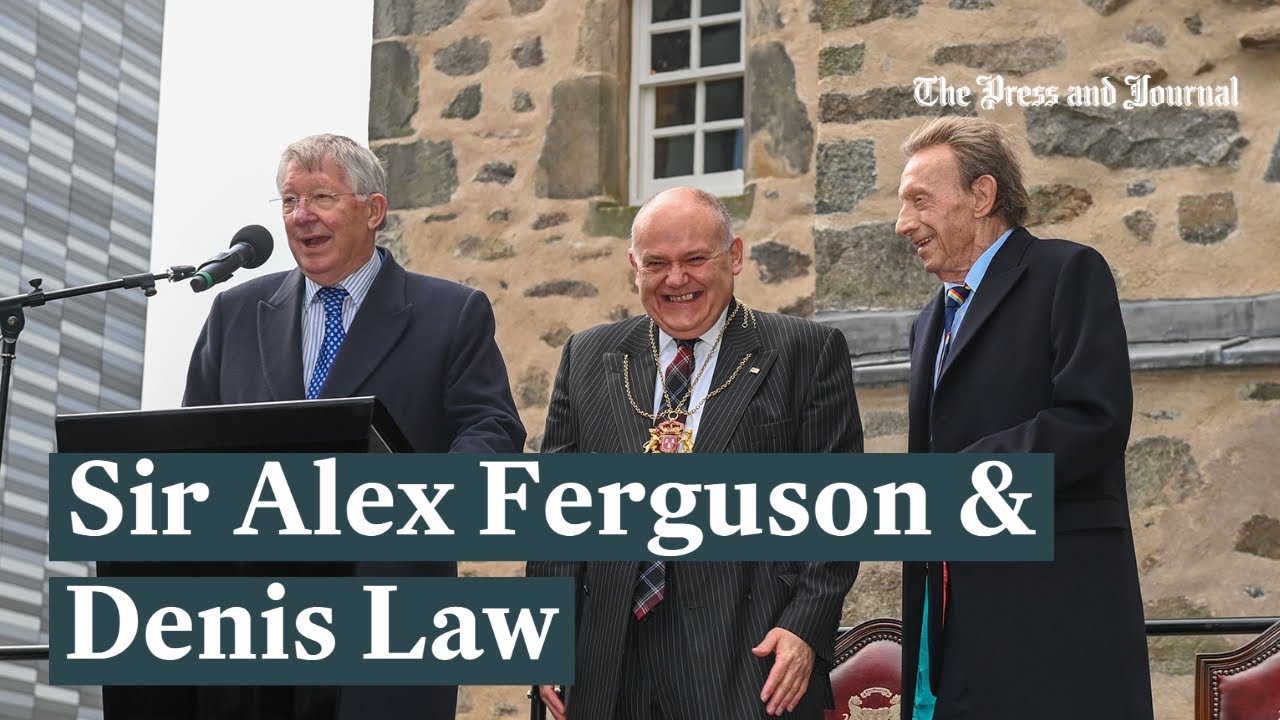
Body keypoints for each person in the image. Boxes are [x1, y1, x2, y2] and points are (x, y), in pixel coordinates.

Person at [172, 133, 525, 720]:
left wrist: (431, 504)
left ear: (374, 210)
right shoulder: (235, 314)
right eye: (289, 201)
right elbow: (192, 444)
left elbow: (491, 429)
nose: (302, 216)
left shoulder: (451, 313)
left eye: (321, 197)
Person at [526, 187, 862, 720]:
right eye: (656, 263)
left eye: (695, 259)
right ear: (634, 266)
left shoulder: (806, 352)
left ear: (734, 256)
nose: (676, 279)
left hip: (749, 659)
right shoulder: (587, 356)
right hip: (605, 665)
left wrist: (804, 627)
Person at [894, 116, 1153, 720]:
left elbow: (1096, 418)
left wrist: (962, 480)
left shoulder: (1067, 272)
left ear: (981, 196)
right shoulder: (928, 323)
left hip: (1051, 626)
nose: (902, 224)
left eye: (918, 201)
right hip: (950, 630)